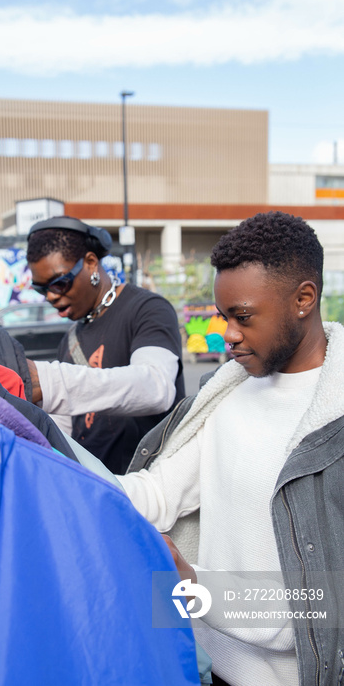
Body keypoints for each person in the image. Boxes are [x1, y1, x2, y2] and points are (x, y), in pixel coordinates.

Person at [119, 211, 344, 686]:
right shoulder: (226, 395)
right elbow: (157, 495)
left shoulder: (334, 422)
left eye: (242, 316)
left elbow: (317, 606)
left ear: (304, 298)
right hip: (204, 669)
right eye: (224, 316)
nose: (228, 333)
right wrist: (51, 465)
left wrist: (189, 586)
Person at [25, 215, 185, 474]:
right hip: (95, 486)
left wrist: (50, 381)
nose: (52, 296)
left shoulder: (147, 309)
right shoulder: (70, 340)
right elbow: (64, 427)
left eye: (59, 282)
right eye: (42, 289)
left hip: (147, 488)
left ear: (90, 263)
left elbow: (157, 387)